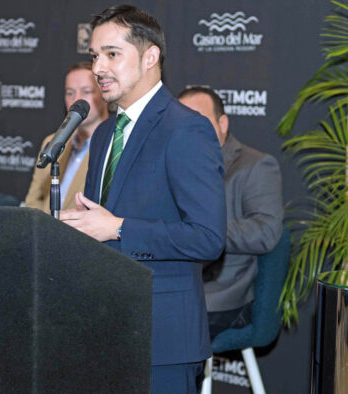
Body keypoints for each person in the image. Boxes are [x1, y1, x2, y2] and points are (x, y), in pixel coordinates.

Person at [60, 6, 226, 393]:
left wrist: (117, 228)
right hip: (103, 330)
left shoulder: (187, 129)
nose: (98, 67)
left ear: (150, 57)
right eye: (95, 55)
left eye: (112, 54)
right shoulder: (103, 134)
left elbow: (207, 237)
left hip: (162, 339)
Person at [178, 86, 284, 338]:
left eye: (198, 121)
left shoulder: (255, 165)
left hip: (222, 295)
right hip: (175, 281)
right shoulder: (173, 164)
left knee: (159, 325)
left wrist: (204, 230)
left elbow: (266, 232)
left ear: (222, 123)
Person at [24, 61, 109, 212]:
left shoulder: (113, 148)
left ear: (104, 93)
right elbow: (33, 203)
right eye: (70, 93)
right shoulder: (52, 142)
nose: (76, 99)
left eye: (86, 91)